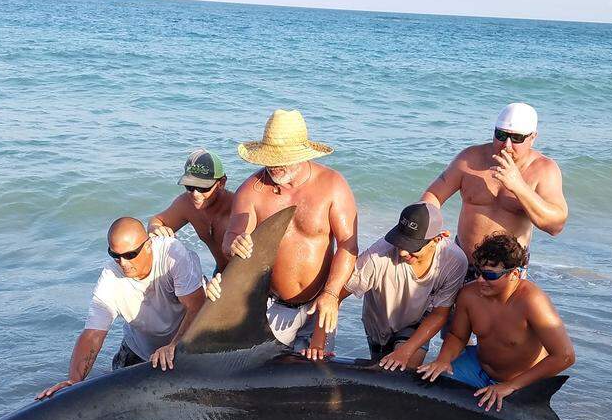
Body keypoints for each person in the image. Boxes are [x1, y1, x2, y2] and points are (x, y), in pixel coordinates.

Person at [206, 109, 359, 355]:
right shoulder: (251, 191)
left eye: (282, 157)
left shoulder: (332, 185)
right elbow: (231, 238)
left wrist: (331, 294)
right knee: (263, 374)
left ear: (302, 155)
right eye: (269, 157)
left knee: (316, 374)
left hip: (320, 302)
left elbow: (348, 246)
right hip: (273, 306)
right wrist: (235, 244)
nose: (274, 165)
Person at [36, 217, 205, 399]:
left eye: (130, 255)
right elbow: (93, 335)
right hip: (138, 348)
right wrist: (74, 382)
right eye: (115, 255)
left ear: (148, 245)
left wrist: (174, 345)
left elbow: (197, 306)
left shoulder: (172, 254)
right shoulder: (110, 277)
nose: (123, 263)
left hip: (183, 342)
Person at [416, 233, 575, 412]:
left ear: (514, 273)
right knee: (429, 385)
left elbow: (565, 356)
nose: (481, 280)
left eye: (490, 275)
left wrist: (511, 386)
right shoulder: (469, 295)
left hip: (519, 382)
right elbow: (457, 336)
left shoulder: (533, 302)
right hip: (477, 366)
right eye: (478, 272)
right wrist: (442, 360)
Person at [307, 202, 466, 370]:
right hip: (378, 323)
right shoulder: (377, 257)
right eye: (400, 242)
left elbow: (439, 314)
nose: (403, 252)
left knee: (402, 370)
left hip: (417, 321)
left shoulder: (454, 262)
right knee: (380, 369)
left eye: (412, 247)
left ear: (438, 238)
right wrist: (318, 343)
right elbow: (335, 296)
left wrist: (405, 351)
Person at [421, 102, 568, 272]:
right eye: (501, 135)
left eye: (517, 138)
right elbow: (433, 195)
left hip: (507, 272)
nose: (506, 145)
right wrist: (425, 232)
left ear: (533, 137)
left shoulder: (543, 170)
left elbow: (555, 226)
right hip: (463, 263)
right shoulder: (470, 158)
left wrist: (518, 186)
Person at [148, 148, 235, 274]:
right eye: (189, 186)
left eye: (203, 188)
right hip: (220, 272)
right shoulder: (187, 204)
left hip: (246, 276)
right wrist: (154, 228)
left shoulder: (237, 207)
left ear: (221, 182)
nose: (195, 194)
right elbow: (158, 220)